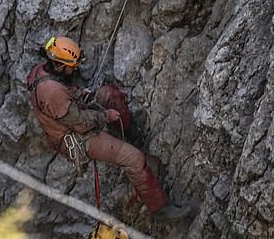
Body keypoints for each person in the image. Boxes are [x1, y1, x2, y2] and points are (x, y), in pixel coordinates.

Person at [26, 36, 190, 223]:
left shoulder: (42, 72)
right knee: (134, 159)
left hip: (70, 117)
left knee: (110, 94)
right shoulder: (52, 92)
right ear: (59, 65)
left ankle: (133, 136)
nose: (75, 69)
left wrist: (80, 95)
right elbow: (81, 123)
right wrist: (106, 116)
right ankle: (160, 208)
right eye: (72, 66)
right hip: (75, 138)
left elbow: (62, 102)